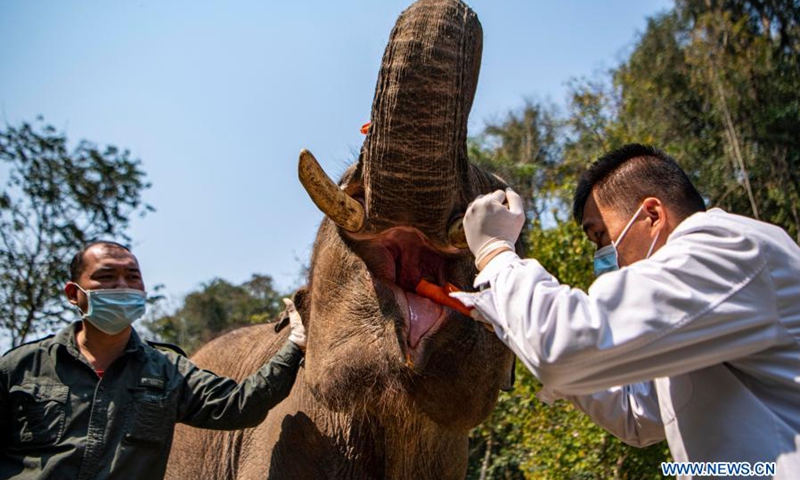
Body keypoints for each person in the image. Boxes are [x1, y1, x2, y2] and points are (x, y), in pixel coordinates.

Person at [452, 144, 800, 477]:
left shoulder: (728, 249)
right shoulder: (699, 305)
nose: (602, 256)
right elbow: (636, 414)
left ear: (652, 214)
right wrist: (511, 317)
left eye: (601, 236)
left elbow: (564, 350)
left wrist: (497, 253)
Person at [0, 241, 307, 480]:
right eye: (106, 277)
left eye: (132, 277)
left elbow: (239, 405)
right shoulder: (20, 367)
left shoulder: (166, 370)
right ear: (73, 293)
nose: (122, 286)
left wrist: (294, 345)